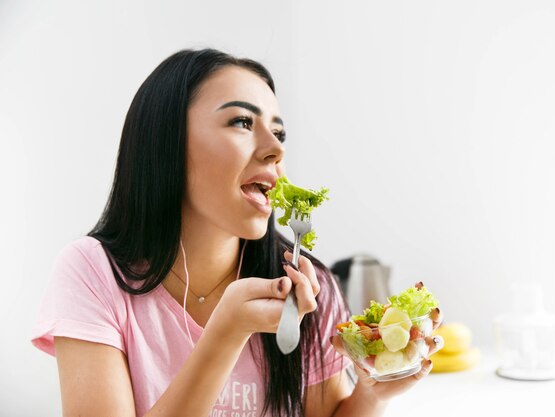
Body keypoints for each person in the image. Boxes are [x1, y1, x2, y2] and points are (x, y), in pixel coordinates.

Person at [31, 48, 443, 417]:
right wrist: (226, 333)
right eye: (242, 121)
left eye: (279, 132)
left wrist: (370, 397)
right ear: (167, 141)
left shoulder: (307, 287)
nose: (276, 149)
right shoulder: (93, 273)